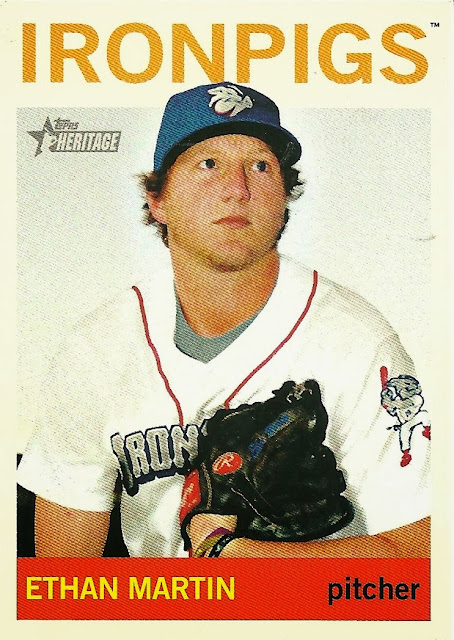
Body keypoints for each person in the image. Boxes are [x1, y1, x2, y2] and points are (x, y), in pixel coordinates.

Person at [17, 82, 430, 558]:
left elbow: (425, 553)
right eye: (208, 164)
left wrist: (231, 554)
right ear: (158, 200)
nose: (237, 190)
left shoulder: (355, 341)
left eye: (260, 166)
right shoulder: (96, 349)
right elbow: (66, 578)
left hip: (316, 603)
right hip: (156, 604)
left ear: (284, 199)